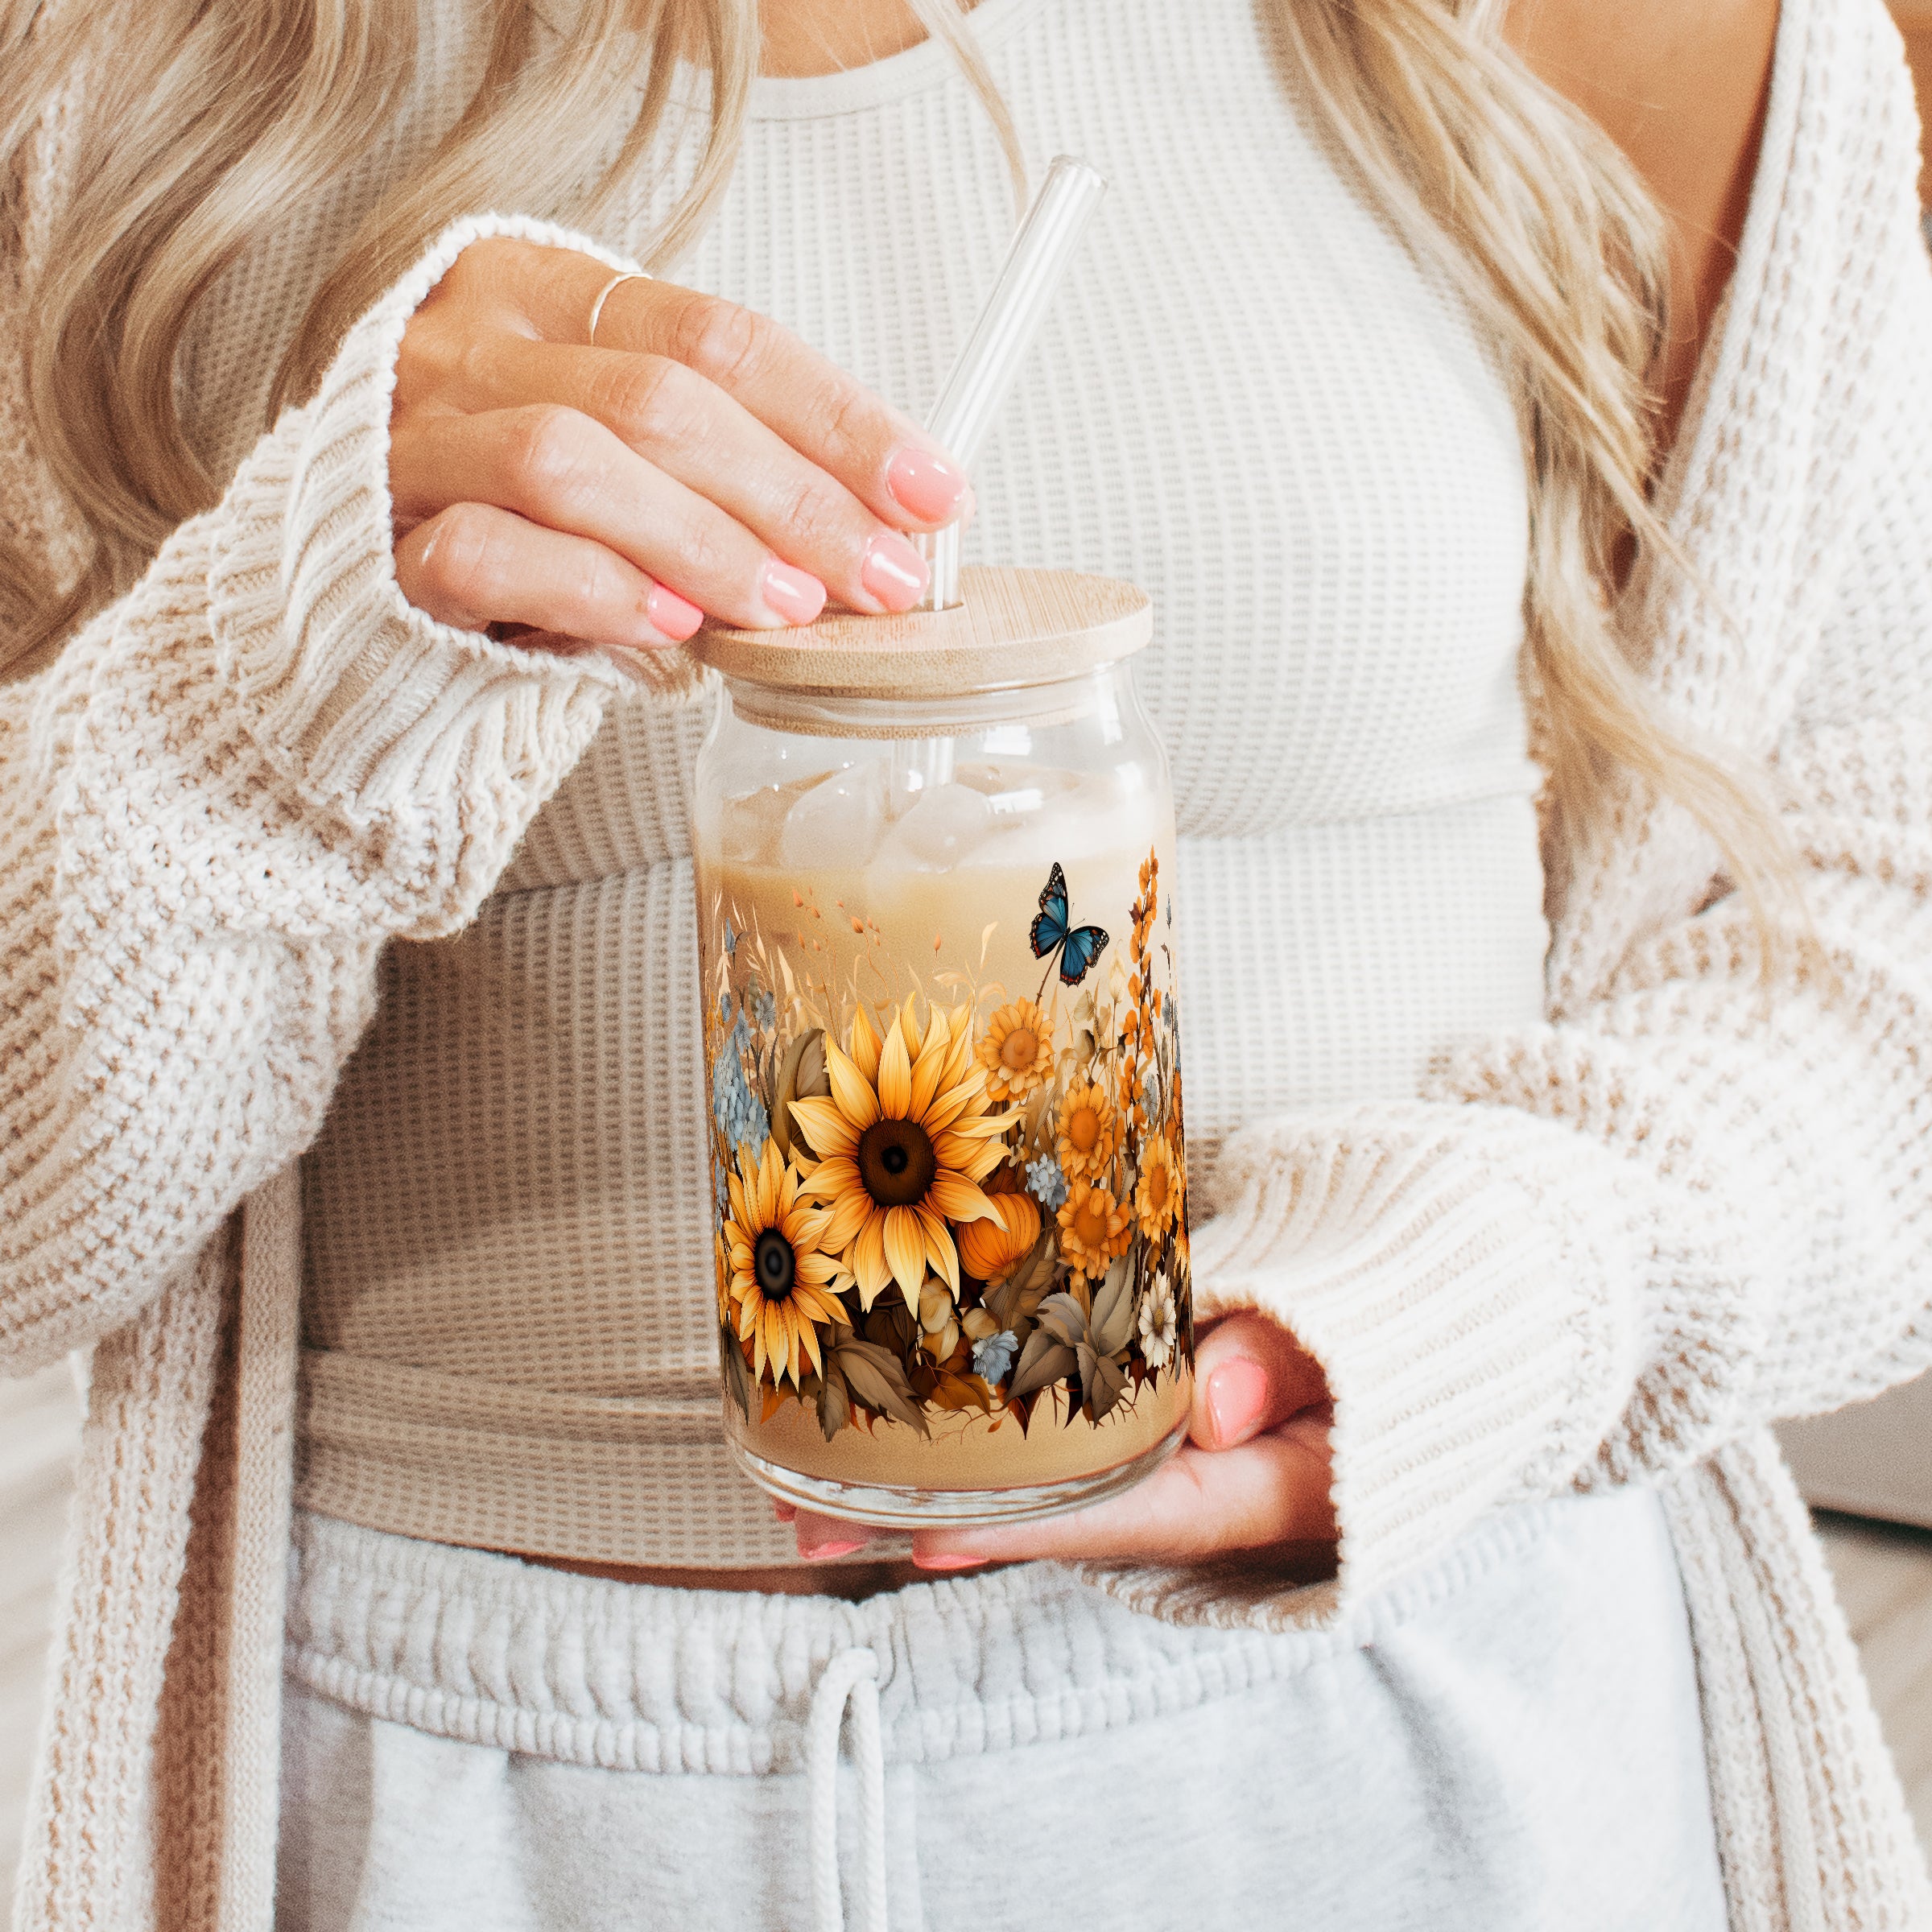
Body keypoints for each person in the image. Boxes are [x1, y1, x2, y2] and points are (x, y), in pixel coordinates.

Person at [2, 0, 1929, 1924]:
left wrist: (1484, 1290)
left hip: (1433, 1749)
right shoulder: (121, 79)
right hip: (477, 1810)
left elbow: (1885, 933)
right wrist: (276, 679)